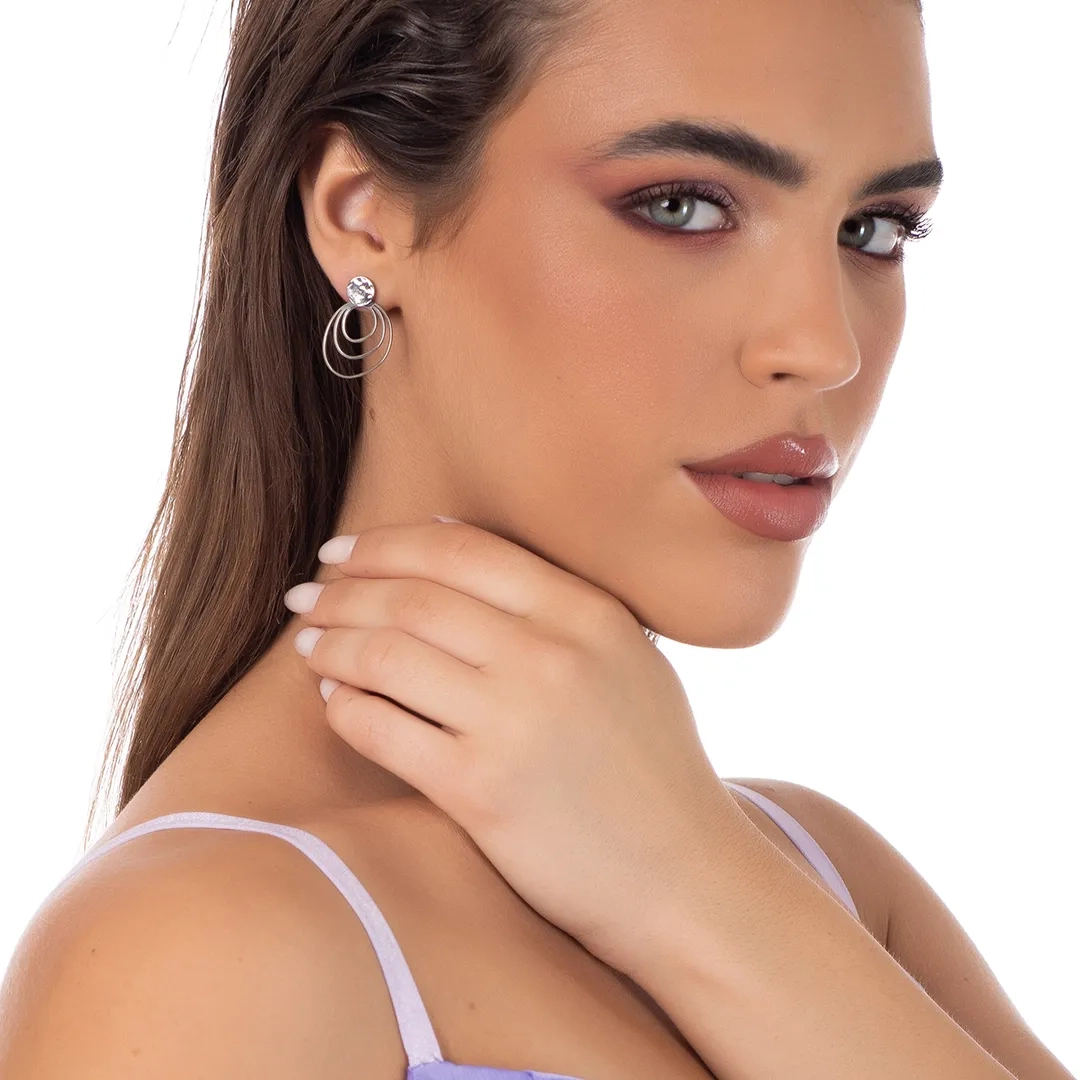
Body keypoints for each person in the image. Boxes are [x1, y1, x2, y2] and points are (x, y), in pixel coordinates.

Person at [0, 1, 1072, 1078]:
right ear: (364, 215)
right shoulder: (192, 949)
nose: (824, 346)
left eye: (875, 228)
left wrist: (698, 884)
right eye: (683, 206)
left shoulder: (825, 880)